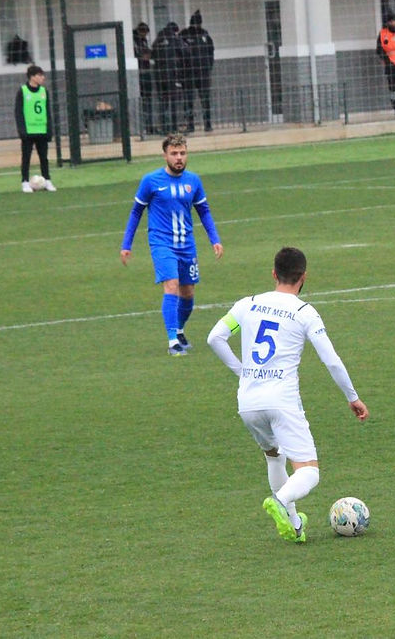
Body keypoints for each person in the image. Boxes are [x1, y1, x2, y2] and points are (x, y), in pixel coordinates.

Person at [207, 247, 369, 544]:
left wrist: (243, 372)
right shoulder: (304, 312)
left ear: (273, 274)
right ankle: (280, 501)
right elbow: (331, 359)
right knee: (309, 472)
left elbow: (214, 337)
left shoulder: (248, 304)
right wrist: (352, 396)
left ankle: (294, 526)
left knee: (274, 457)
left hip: (248, 403)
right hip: (281, 401)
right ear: (303, 277)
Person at [120, 134, 223, 355]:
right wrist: (126, 243)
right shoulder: (151, 181)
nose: (179, 158)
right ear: (165, 155)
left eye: (182, 153)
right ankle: (172, 343)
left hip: (187, 244)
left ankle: (178, 330)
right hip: (161, 243)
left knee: (188, 294)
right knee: (172, 286)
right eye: (174, 154)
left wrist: (215, 239)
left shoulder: (193, 181)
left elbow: (203, 211)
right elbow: (136, 211)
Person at [14, 65, 56, 193]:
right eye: (39, 75)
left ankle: (47, 180)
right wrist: (22, 130)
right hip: (28, 131)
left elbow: (47, 111)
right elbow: (18, 112)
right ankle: (25, 182)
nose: (42, 78)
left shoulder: (44, 91)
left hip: (41, 130)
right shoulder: (23, 91)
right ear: (32, 77)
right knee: (26, 157)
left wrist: (49, 130)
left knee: (44, 157)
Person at [180, 10, 215, 133]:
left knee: (191, 100)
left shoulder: (189, 35)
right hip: (197, 72)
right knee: (201, 99)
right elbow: (211, 54)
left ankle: (195, 125)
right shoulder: (202, 36)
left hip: (192, 73)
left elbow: (211, 53)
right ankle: (205, 124)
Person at [152, 22, 186, 134]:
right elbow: (184, 52)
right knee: (173, 102)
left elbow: (153, 55)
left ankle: (164, 127)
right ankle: (174, 126)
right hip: (172, 74)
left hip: (159, 76)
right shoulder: (174, 39)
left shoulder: (158, 40)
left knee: (163, 102)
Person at [133, 22, 155, 134]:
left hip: (145, 72)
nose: (145, 36)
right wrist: (142, 57)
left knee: (148, 101)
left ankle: (149, 126)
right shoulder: (133, 40)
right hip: (139, 73)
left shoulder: (143, 41)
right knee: (141, 102)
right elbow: (136, 54)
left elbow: (148, 52)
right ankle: (143, 127)